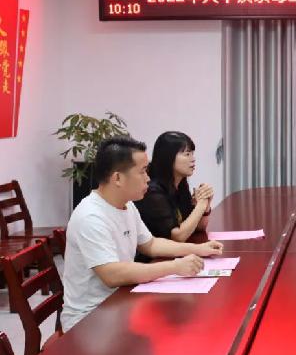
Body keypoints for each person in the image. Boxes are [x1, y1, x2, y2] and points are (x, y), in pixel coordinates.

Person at [61, 136, 223, 332]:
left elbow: (151, 244)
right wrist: (175, 267)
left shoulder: (127, 205)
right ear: (117, 178)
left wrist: (197, 249)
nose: (148, 178)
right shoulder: (91, 216)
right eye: (142, 171)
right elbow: (112, 274)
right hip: (90, 318)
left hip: (122, 301)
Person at [135, 131, 213, 243]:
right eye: (187, 154)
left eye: (192, 153)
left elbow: (198, 227)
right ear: (168, 157)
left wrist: (206, 203)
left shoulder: (180, 185)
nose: (193, 159)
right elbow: (178, 237)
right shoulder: (152, 191)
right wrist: (200, 206)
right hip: (156, 253)